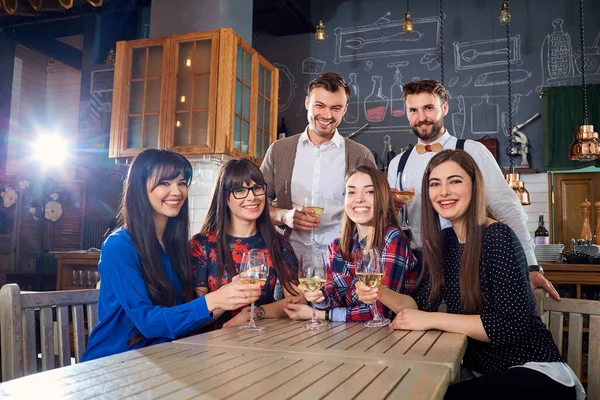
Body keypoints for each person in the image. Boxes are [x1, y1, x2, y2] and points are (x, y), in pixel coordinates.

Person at [359, 150, 584, 399]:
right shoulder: (445, 242)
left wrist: (432, 319)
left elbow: (510, 326)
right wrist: (379, 292)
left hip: (534, 370)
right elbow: (419, 305)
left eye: (455, 181)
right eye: (435, 184)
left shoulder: (498, 236)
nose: (443, 192)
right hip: (484, 372)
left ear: (475, 187)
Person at [386, 79, 559, 300]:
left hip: (469, 260)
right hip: (418, 266)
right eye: (413, 110)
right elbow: (397, 224)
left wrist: (531, 265)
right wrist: (387, 208)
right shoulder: (397, 163)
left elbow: (507, 208)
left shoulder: (471, 150)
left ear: (445, 108)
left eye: (429, 107)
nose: (422, 117)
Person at [82, 149, 260, 361]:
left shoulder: (175, 246)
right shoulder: (118, 246)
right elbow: (148, 323)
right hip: (115, 362)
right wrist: (214, 300)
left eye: (182, 183)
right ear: (141, 189)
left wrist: (226, 298)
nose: (176, 191)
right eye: (164, 183)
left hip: (162, 357)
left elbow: (179, 316)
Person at [260, 72, 376, 270]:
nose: (327, 115)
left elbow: (376, 211)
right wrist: (283, 216)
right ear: (307, 103)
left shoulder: (360, 155)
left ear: (345, 109)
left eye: (336, 108)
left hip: (342, 267)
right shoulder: (279, 150)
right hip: (288, 264)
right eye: (319, 105)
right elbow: (256, 202)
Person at [284, 165, 418, 323]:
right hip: (348, 336)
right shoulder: (336, 246)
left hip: (390, 337)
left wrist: (322, 315)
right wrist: (319, 298)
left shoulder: (392, 238)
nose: (359, 198)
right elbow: (332, 301)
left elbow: (381, 311)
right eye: (351, 192)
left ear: (383, 198)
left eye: (369, 192)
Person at [190, 158, 300, 330]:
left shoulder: (277, 243)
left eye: (257, 188)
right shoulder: (201, 245)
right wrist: (227, 299)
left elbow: (296, 301)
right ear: (224, 198)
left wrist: (254, 312)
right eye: (240, 190)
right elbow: (194, 315)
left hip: (261, 340)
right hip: (210, 343)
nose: (252, 197)